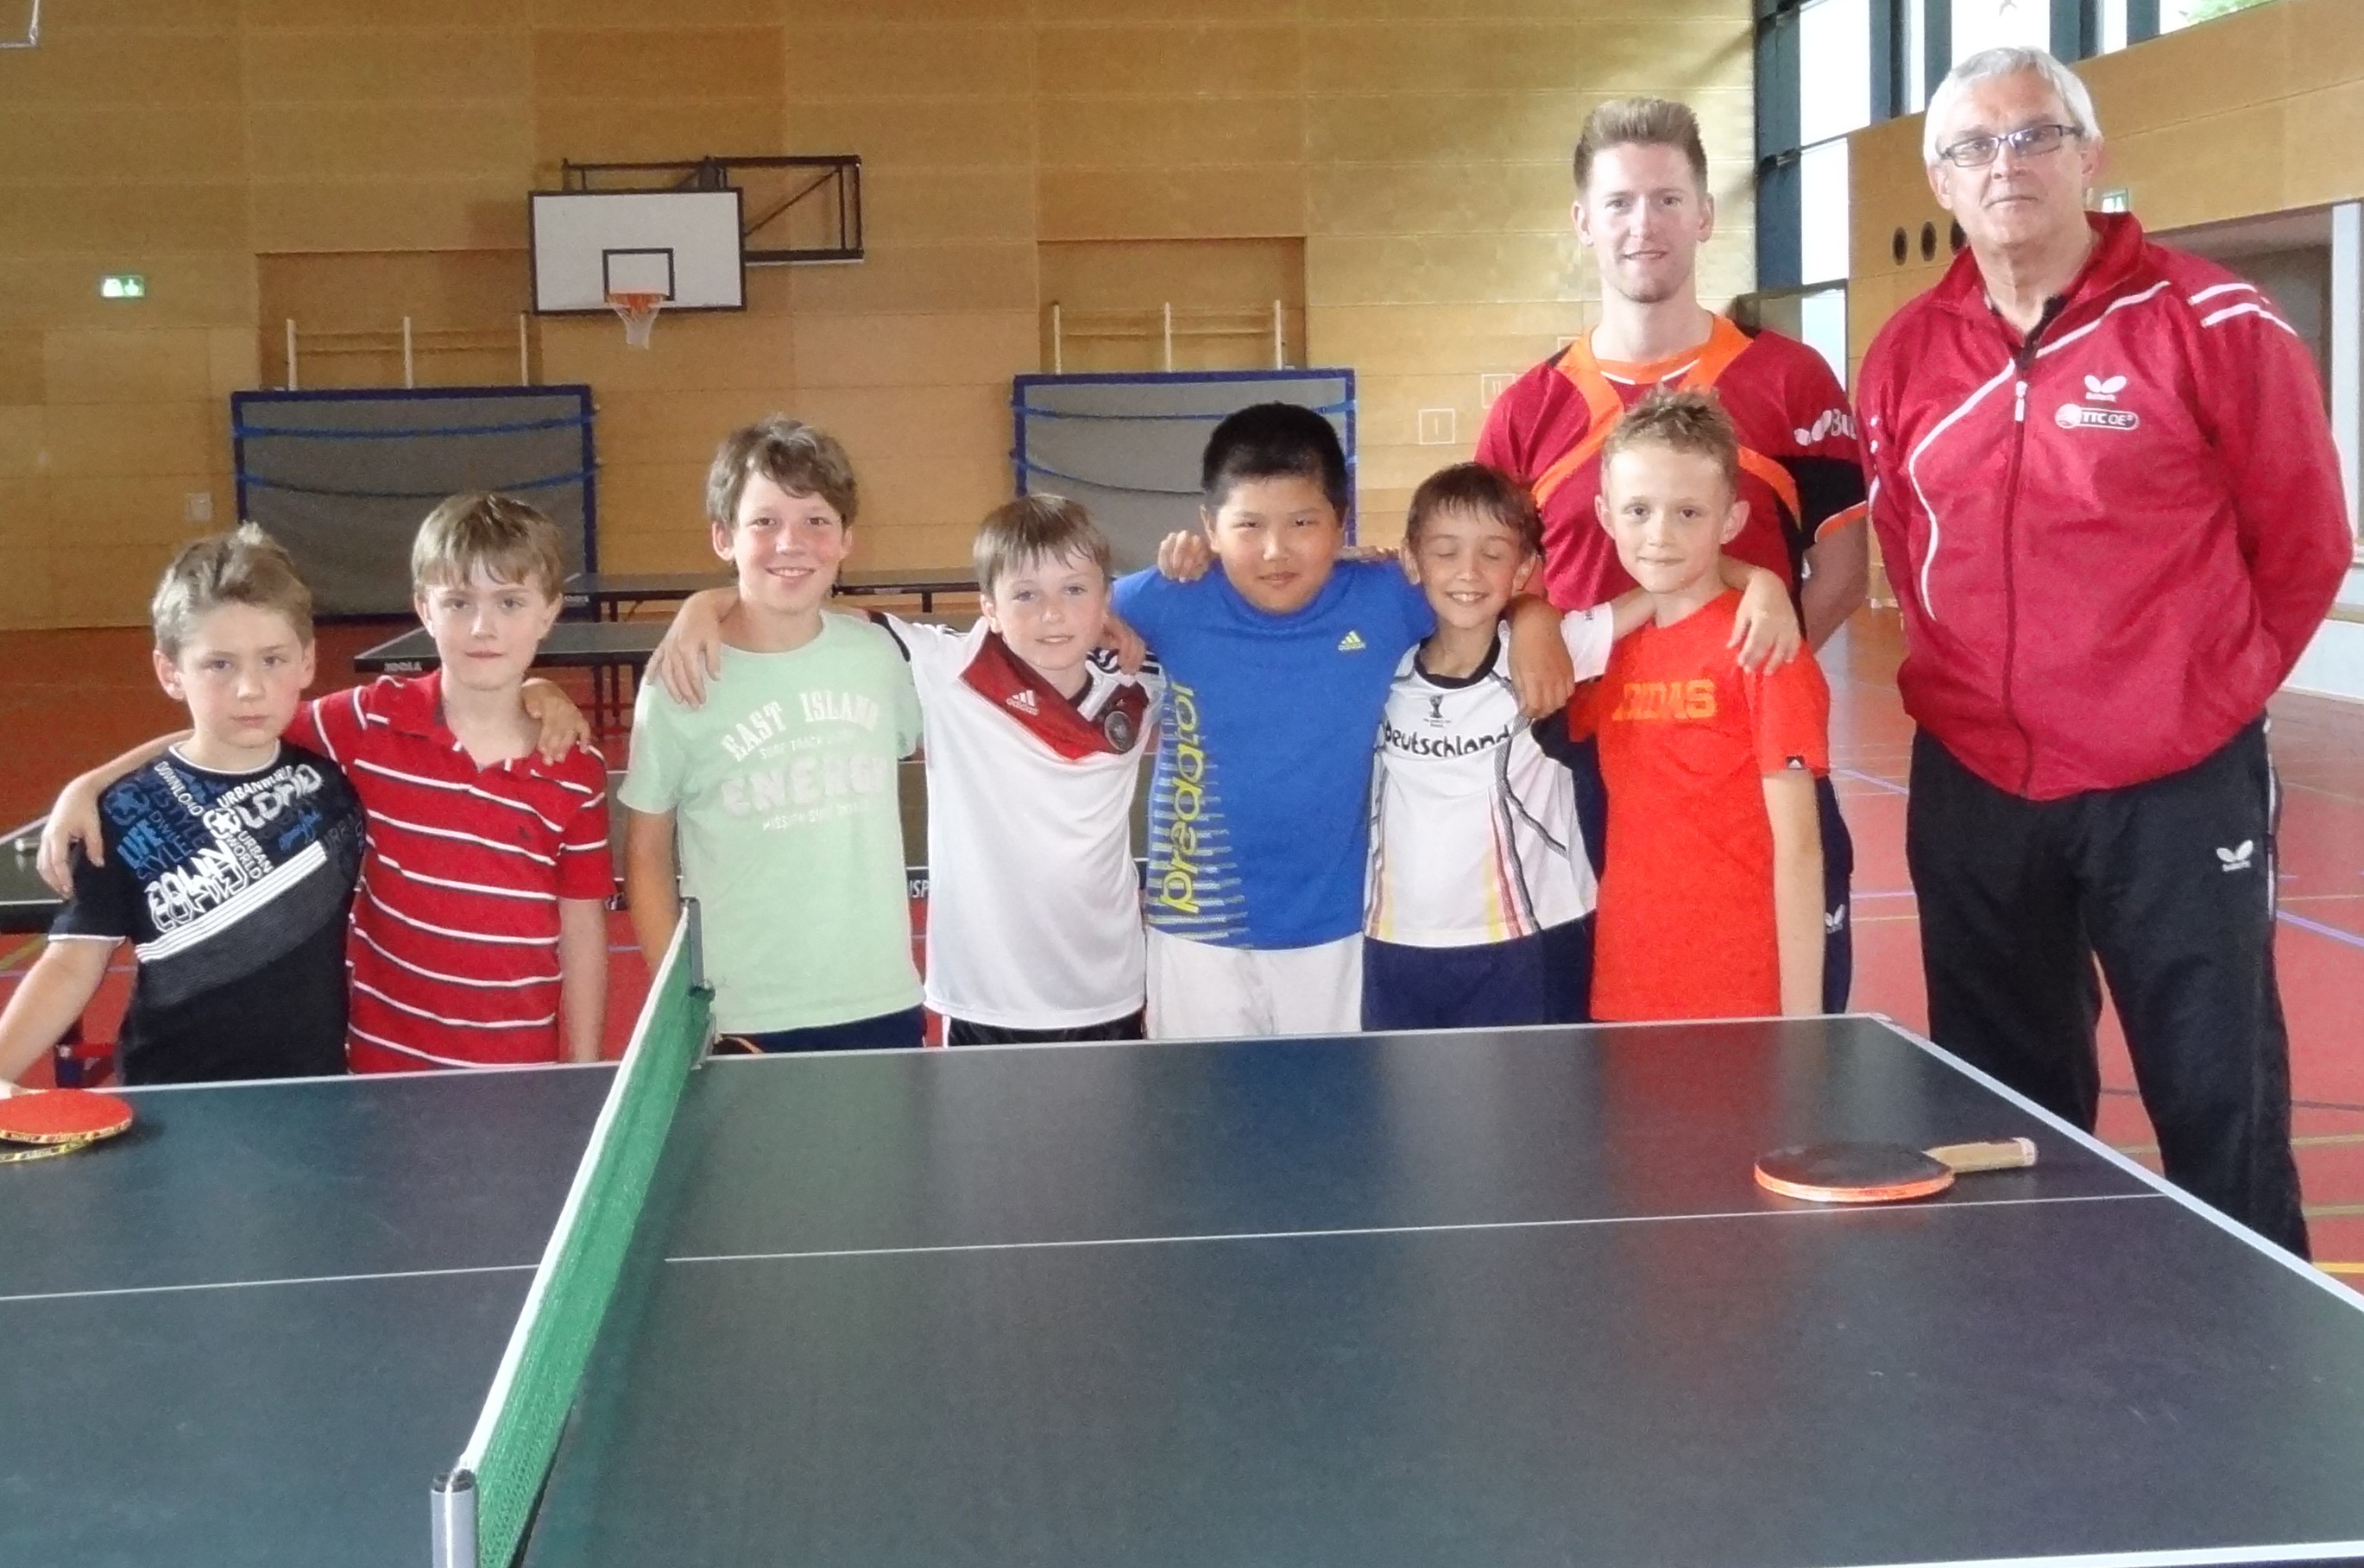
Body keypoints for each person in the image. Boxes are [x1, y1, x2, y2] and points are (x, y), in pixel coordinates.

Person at [1857, 47, 2352, 1256]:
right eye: (1973, 146)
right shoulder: (1905, 353)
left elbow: (2303, 541)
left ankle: (2249, 1339)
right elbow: (1902, 540)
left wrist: (2202, 698)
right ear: (1939, 182)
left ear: (2090, 157)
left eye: (2035, 134)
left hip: (2173, 791)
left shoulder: (2213, 323)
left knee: (2217, 1098)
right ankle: (2021, 1334)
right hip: (1977, 784)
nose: (2005, 164)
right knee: (1998, 1114)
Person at [1477, 95, 1865, 1012]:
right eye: (1618, 202)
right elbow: (1490, 579)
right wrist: (1531, 619)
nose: (1642, 225)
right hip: (1577, 765)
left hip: (1741, 761)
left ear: (1705, 214)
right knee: (1601, 1035)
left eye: (1666, 199)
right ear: (1583, 220)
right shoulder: (1528, 408)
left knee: (1778, 1023)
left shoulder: (1791, 378)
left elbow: (1844, 572)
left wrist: (1742, 667)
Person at [41, 496, 611, 1071]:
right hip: (381, 1066)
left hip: (521, 1065)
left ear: (549, 612)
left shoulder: (574, 767)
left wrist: (586, 1064)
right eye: (459, 602)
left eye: (510, 602)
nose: (483, 627)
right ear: (424, 607)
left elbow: (582, 924)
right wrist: (92, 782)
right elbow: (227, 736)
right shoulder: (367, 722)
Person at [1115, 403, 1581, 1039]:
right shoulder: (1166, 598)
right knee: (1200, 1097)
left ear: (1341, 522)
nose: (1275, 550)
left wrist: (1534, 617)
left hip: (1338, 928)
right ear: (1209, 527)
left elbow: (1479, 591)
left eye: (1303, 522)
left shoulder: (1387, 596)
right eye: (1248, 524)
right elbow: (1063, 611)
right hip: (1194, 925)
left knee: (1337, 1097)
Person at [647, 493, 1161, 1045]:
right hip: (985, 1001)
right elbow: (804, 608)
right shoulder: (952, 668)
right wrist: (706, 604)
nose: (1052, 613)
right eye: (1025, 594)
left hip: (1113, 989)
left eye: (1075, 590)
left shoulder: (1142, 682)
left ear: (1106, 599)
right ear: (989, 607)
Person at [1361, 462, 1801, 1032]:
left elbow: (1667, 583)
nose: (1468, 571)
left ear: (1524, 568)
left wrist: (1761, 581)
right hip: (1396, 943)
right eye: (1445, 552)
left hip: (1527, 943)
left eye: (1493, 554)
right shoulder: (1385, 665)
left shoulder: (1558, 648)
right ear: (1412, 559)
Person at [0, 527, 364, 1090]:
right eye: (219, 665)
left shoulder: (335, 784)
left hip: (313, 1094)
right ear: (171, 671)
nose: (250, 688)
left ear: (308, 661)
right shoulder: (121, 812)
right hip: (171, 1096)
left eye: (272, 659)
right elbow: (71, 964)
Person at [621, 417, 925, 1052]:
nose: (792, 542)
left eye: (816, 520)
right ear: (722, 537)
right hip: (741, 1010)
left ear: (846, 539)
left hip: (880, 997)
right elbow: (646, 853)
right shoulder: (679, 679)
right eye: (764, 521)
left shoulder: (879, 659)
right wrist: (679, 1003)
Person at [1569, 389, 1831, 1023]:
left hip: (1743, 993)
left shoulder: (1764, 648)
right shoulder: (1607, 654)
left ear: (1731, 521)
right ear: (1605, 514)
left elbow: (1800, 850)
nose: (1659, 535)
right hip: (1627, 984)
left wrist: (1803, 1023)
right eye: (1638, 510)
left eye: (1688, 512)